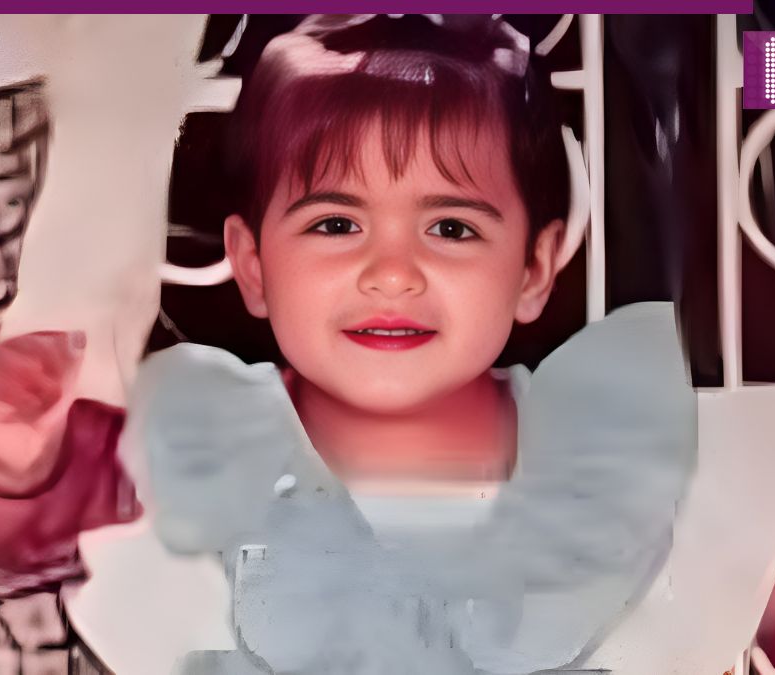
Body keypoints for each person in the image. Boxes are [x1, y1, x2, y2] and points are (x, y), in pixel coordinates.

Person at [115, 14, 696, 675]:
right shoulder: (191, 441)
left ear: (533, 270)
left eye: (450, 228)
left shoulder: (609, 448)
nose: (392, 274)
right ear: (252, 266)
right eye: (337, 224)